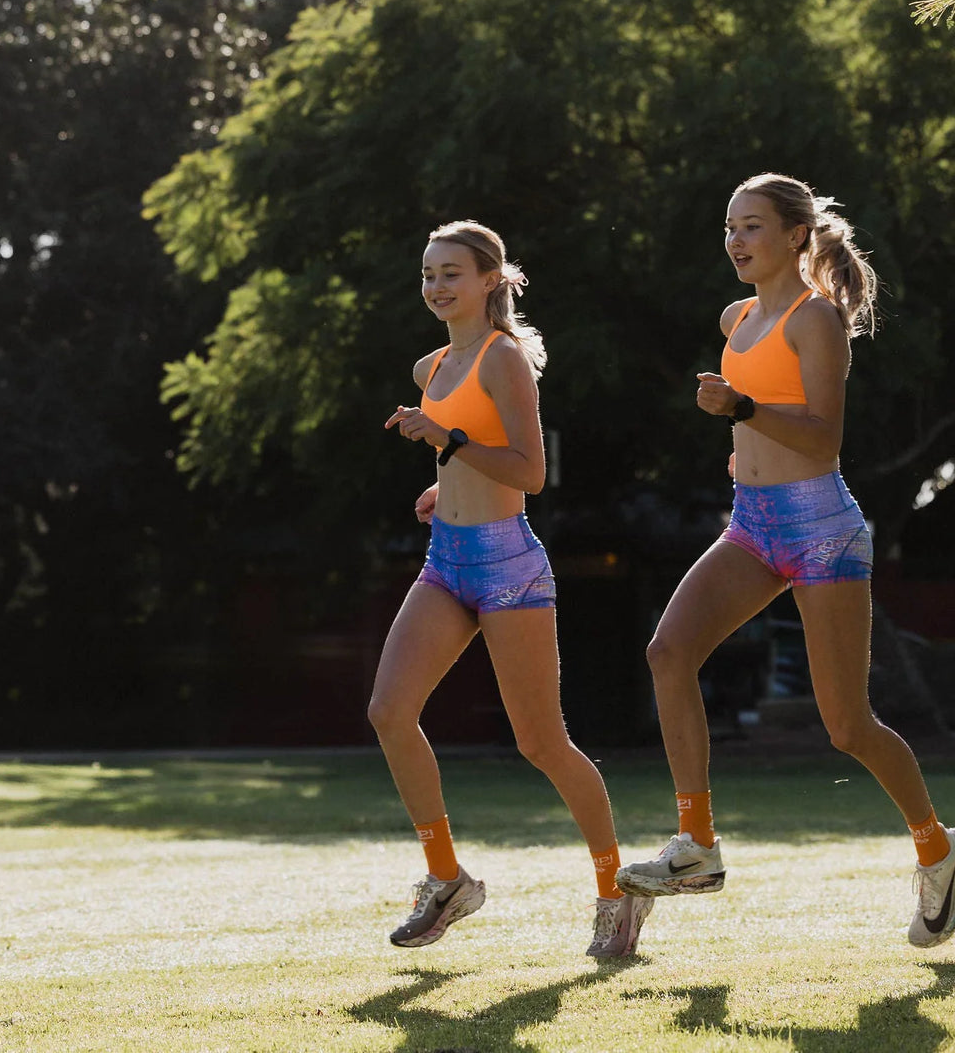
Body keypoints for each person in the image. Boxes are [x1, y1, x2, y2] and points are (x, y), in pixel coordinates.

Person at [615, 172, 955, 950]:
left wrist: (742, 409)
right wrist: (744, 436)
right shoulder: (736, 318)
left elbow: (824, 439)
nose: (736, 241)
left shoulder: (817, 320)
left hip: (821, 529)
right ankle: (697, 846)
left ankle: (938, 851)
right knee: (668, 652)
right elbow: (764, 429)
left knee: (848, 727)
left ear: (796, 235)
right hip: (753, 525)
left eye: (752, 226)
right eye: (730, 227)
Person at [370, 219, 653, 958]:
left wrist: (445, 442)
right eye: (428, 273)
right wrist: (446, 487)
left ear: (490, 280)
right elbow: (471, 454)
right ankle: (447, 880)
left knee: (542, 742)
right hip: (446, 560)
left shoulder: (504, 359)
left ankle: (616, 889)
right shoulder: (432, 366)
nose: (436, 286)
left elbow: (529, 472)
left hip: (507, 566)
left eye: (451, 273)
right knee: (389, 711)